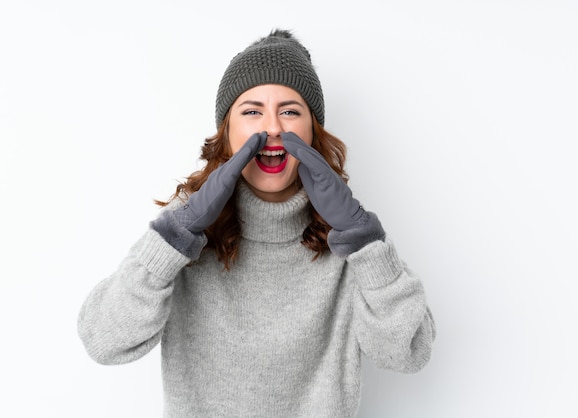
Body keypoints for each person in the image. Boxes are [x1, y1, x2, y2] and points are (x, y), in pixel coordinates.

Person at [78, 29, 436, 417]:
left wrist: (365, 242)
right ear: (227, 135)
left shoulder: (349, 237)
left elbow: (409, 351)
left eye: (290, 111)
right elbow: (103, 340)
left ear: (313, 133)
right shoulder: (186, 233)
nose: (273, 128)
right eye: (251, 111)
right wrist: (174, 238)